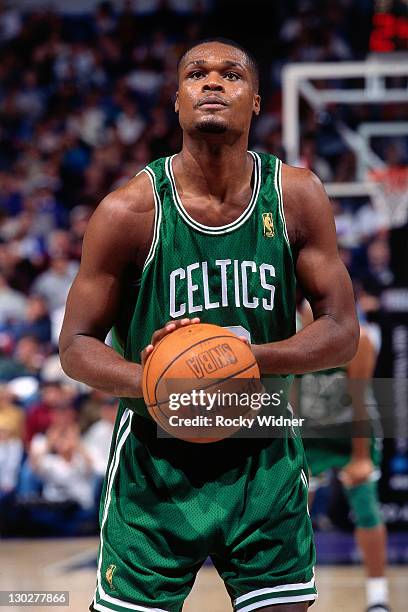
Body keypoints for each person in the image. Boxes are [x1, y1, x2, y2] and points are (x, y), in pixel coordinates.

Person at [60, 38, 359, 612]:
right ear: (177, 100)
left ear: (257, 102)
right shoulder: (128, 212)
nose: (214, 83)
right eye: (197, 74)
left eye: (232, 75)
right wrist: (155, 379)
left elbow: (342, 330)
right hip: (155, 464)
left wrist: (241, 363)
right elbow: (74, 345)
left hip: (262, 456)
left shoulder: (296, 197)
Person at [298, 302, 390, 612]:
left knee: (365, 504)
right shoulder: (294, 338)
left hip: (353, 430)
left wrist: (361, 457)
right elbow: (292, 404)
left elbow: (361, 402)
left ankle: (378, 598)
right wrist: (297, 455)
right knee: (296, 510)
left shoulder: (358, 340)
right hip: (311, 430)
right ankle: (297, 591)